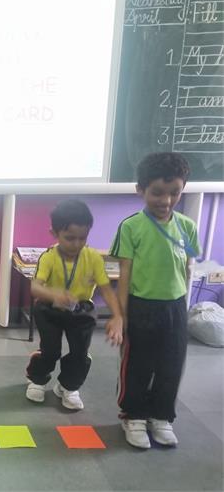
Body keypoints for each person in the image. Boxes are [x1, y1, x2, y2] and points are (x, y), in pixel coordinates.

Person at [110, 152, 199, 449]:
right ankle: (133, 416)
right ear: (141, 190)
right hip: (141, 306)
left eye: (175, 192)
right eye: (157, 192)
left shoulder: (187, 226)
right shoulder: (131, 226)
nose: (166, 200)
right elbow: (124, 275)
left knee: (171, 364)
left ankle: (161, 416)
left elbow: (186, 268)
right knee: (138, 364)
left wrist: (182, 306)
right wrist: (121, 316)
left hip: (175, 308)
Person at [25, 199, 123, 411]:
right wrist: (54, 294)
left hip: (81, 311)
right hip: (49, 309)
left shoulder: (93, 258)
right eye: (69, 238)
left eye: (82, 238)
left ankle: (68, 386)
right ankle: (37, 379)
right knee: (50, 350)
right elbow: (35, 287)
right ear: (54, 233)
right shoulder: (49, 257)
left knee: (80, 353)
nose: (76, 244)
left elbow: (106, 289)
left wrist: (117, 316)